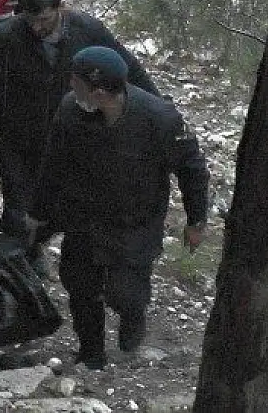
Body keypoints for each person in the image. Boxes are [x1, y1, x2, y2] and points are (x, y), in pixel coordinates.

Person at [30, 46, 209, 369]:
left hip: (135, 222)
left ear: (98, 93)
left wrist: (196, 220)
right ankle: (91, 352)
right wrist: (39, 214)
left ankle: (132, 319)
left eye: (77, 83)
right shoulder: (70, 111)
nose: (71, 87)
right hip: (84, 217)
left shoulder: (160, 120)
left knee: (124, 294)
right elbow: (52, 165)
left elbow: (192, 169)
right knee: (80, 286)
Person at [0, 0, 161, 273]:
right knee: (17, 211)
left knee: (63, 206)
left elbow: (126, 69)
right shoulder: (5, 38)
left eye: (44, 20)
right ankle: (16, 271)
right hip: (19, 138)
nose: (36, 28)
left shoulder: (88, 31)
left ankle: (39, 251)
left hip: (72, 138)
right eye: (30, 19)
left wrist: (157, 110)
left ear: (61, 8)